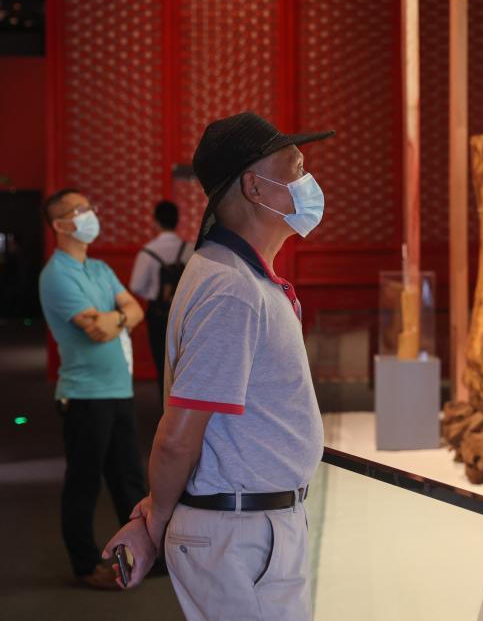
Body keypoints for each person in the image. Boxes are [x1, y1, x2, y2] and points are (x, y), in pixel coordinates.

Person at [104, 113, 333, 620]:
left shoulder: (238, 277)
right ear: (254, 186)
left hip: (253, 526)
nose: (307, 183)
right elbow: (178, 434)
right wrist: (154, 524)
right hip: (240, 533)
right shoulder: (232, 288)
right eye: (294, 169)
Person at [38, 189, 148, 590]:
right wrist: (122, 317)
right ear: (60, 225)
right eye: (79, 210)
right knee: (85, 483)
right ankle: (86, 565)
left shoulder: (100, 269)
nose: (89, 215)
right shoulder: (56, 275)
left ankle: (143, 554)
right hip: (84, 395)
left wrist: (116, 316)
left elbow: (134, 309)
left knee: (130, 480)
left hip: (119, 390)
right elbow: (97, 330)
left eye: (89, 207)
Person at [129, 200, 192, 401]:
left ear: (156, 221)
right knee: (187, 361)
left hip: (158, 314)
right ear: (178, 221)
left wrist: (155, 293)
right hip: (186, 312)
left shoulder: (148, 252)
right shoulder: (189, 248)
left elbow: (136, 285)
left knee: (161, 361)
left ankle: (165, 405)